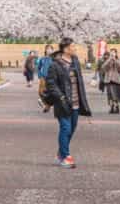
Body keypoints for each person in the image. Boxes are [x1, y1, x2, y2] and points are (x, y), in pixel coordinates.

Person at [45, 37, 92, 169]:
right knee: (66, 128)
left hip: (76, 101)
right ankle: (65, 156)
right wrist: (61, 97)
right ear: (65, 49)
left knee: (72, 128)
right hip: (62, 102)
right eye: (73, 46)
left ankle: (61, 152)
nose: (75, 48)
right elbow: (51, 84)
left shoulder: (75, 61)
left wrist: (84, 101)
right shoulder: (55, 64)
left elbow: (79, 82)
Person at [101, 49, 120, 115]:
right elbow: (103, 67)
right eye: (111, 53)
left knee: (116, 94)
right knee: (110, 95)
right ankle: (112, 107)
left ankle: (116, 106)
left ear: (116, 53)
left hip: (116, 80)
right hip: (108, 80)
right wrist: (109, 59)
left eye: (114, 53)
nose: (112, 54)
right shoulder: (107, 61)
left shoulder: (118, 60)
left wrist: (114, 59)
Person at [37, 45, 54, 112]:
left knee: (51, 92)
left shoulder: (54, 59)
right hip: (43, 77)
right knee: (40, 92)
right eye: (48, 49)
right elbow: (38, 67)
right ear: (45, 50)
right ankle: (46, 104)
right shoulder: (42, 59)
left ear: (52, 50)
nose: (49, 50)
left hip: (51, 78)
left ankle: (47, 106)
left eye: (50, 49)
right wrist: (40, 75)